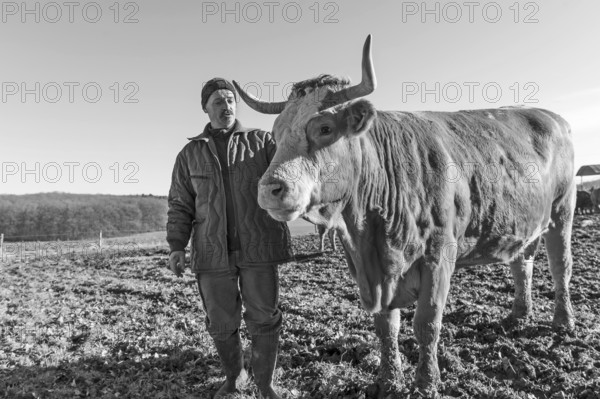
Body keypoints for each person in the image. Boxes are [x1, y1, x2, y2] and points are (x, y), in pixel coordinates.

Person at [166, 78, 292, 398]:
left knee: (264, 318)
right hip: (211, 252)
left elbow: (291, 176)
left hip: (258, 246)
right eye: (219, 101)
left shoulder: (263, 142)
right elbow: (180, 204)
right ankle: (235, 378)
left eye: (231, 100)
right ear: (205, 107)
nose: (227, 106)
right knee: (221, 323)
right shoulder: (189, 154)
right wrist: (177, 247)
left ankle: (265, 384)